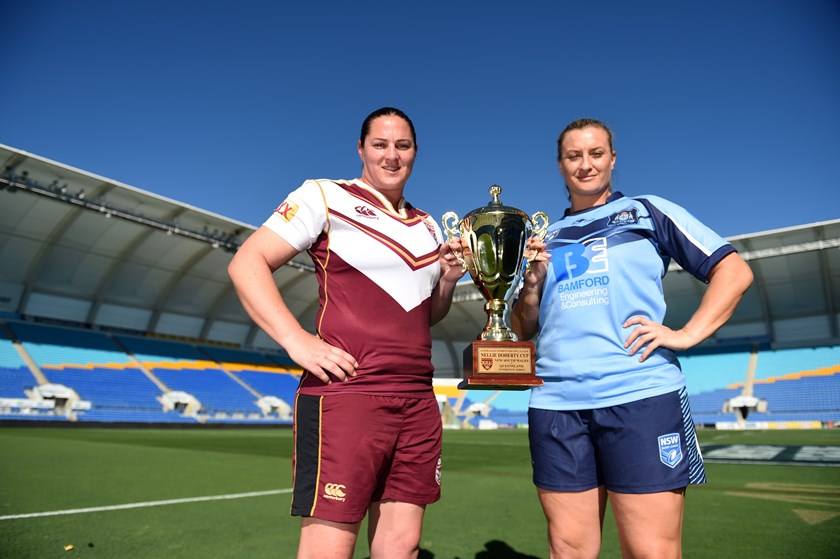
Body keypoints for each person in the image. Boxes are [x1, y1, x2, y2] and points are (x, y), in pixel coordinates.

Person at [228, 107, 466, 559]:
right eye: (380, 144)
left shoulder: (430, 226)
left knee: (403, 546)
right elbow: (246, 263)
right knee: (330, 548)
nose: (391, 156)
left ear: (415, 152)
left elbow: (425, 316)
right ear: (361, 149)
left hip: (416, 400)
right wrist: (296, 340)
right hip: (347, 395)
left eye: (403, 145)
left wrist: (449, 280)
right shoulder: (324, 195)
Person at [512, 117, 753, 559]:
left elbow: (734, 271)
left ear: (612, 159)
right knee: (568, 551)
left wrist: (686, 334)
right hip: (556, 403)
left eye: (596, 153)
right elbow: (523, 328)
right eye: (574, 156)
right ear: (560, 164)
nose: (586, 165)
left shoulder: (648, 210)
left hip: (640, 396)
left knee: (650, 550)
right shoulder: (542, 236)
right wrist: (531, 284)